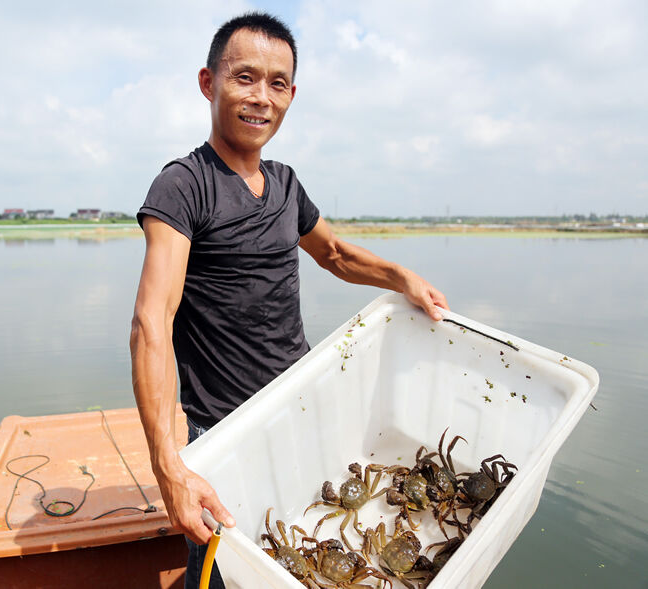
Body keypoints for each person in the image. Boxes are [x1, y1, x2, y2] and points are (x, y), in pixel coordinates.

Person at [129, 12, 449, 588]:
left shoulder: (284, 183)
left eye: (277, 83)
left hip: (300, 408)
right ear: (208, 83)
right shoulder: (183, 186)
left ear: (292, 95)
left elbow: (335, 256)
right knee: (224, 574)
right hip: (222, 430)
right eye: (244, 77)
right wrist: (169, 469)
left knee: (302, 552)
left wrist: (402, 276)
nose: (261, 97)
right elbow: (152, 324)